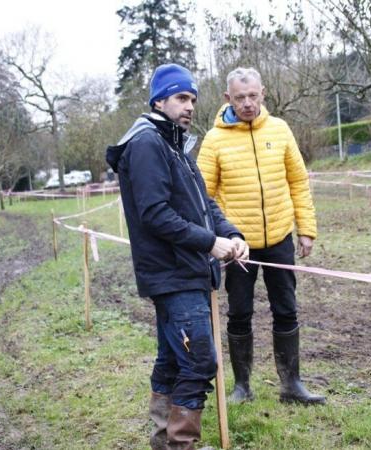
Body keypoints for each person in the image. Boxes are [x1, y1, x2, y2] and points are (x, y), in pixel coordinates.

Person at [106, 63, 249, 450]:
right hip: (174, 275)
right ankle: (180, 444)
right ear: (159, 100)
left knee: (173, 362)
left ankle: (163, 442)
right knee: (200, 363)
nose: (189, 106)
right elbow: (155, 214)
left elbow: (204, 204)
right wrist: (209, 243)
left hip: (186, 272)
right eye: (181, 98)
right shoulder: (148, 144)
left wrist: (231, 234)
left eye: (192, 99)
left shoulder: (175, 144)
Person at [197, 67, 326, 405]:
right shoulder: (214, 140)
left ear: (263, 93)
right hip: (238, 247)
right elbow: (202, 195)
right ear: (228, 99)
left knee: (287, 309)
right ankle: (242, 387)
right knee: (239, 313)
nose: (248, 103)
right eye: (240, 97)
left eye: (253, 95)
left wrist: (306, 229)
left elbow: (298, 181)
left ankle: (291, 385)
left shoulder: (281, 130)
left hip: (281, 237)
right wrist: (215, 240)